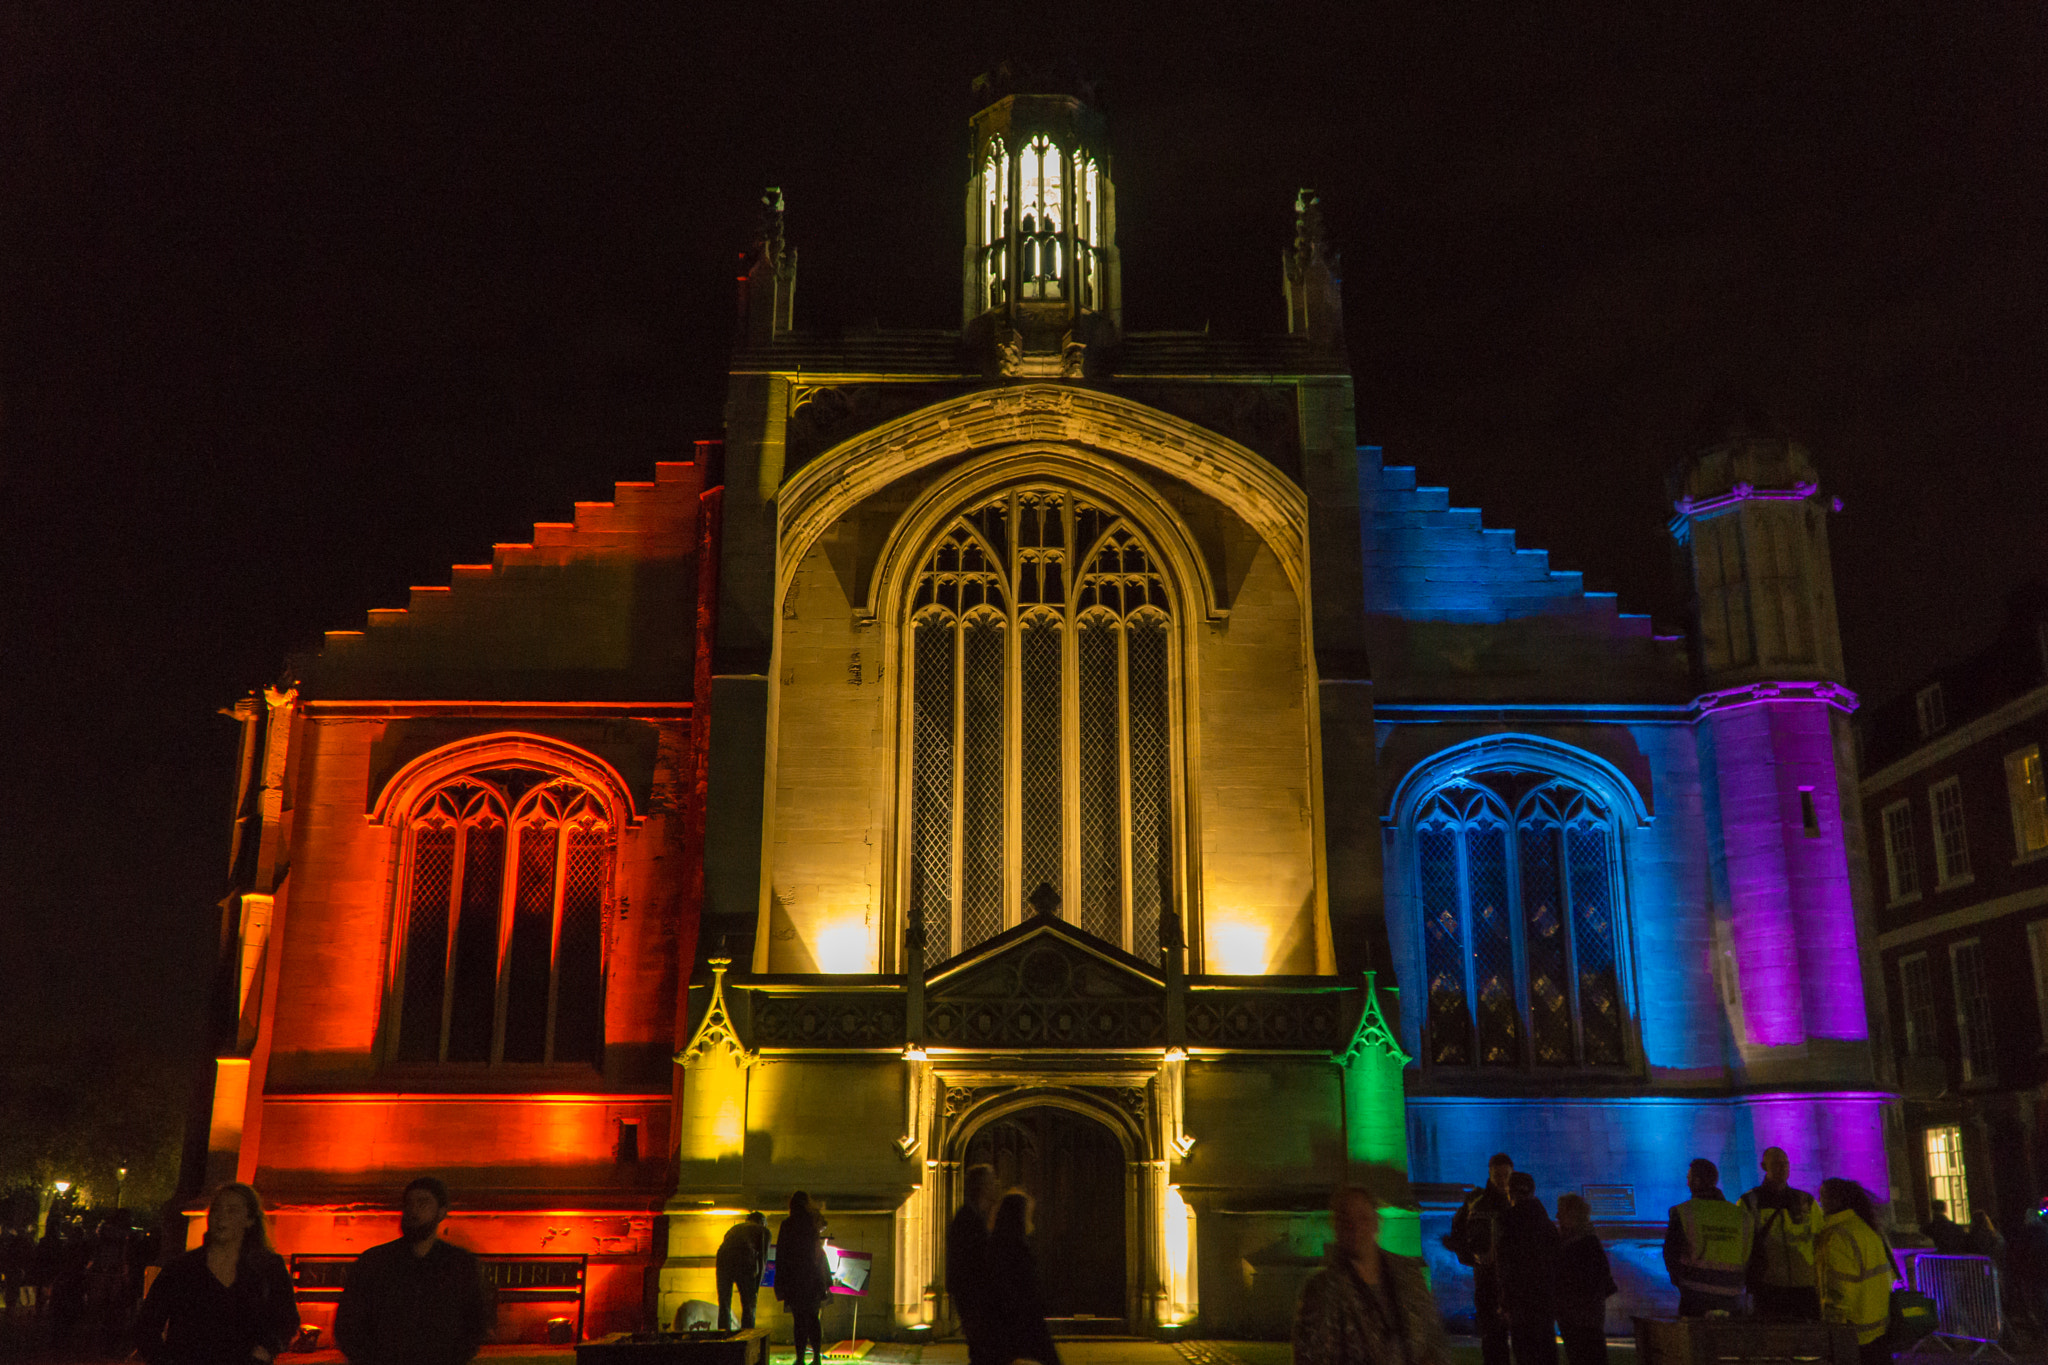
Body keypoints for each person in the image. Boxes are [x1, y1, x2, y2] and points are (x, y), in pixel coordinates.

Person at [132, 1183, 298, 1365]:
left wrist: (268, 1348)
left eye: (232, 1210)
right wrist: (162, 1360)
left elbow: (286, 1318)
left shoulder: (267, 1268)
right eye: (217, 1209)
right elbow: (147, 1324)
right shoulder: (182, 1269)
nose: (221, 1217)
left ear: (249, 1219)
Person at [335, 1176, 494, 1365]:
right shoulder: (375, 1262)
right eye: (409, 1203)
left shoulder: (459, 1264)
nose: (414, 1210)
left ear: (441, 1212)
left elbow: (474, 1322)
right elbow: (348, 1323)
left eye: (423, 1203)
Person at [1294, 1186, 1452, 1365]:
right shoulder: (1321, 1290)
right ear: (1335, 1226)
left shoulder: (1408, 1274)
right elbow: (1310, 1357)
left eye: (1362, 1218)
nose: (1355, 1228)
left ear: (1376, 1223)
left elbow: (1434, 1341)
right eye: (1346, 1220)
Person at [1444, 1154, 1515, 1365]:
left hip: (1512, 1280)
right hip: (1486, 1278)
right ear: (1490, 1174)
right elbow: (1458, 1232)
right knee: (1492, 1337)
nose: (1502, 1180)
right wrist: (1471, 1256)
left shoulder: (1517, 1202)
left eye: (1506, 1175)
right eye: (1497, 1175)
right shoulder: (1476, 1202)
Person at [1816, 1178, 1893, 1365]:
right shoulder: (1866, 1229)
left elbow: (1836, 1290)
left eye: (1823, 1197)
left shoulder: (1836, 1237)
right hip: (1877, 1327)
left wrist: (1834, 1331)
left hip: (1853, 1334)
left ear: (1837, 1200)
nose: (1820, 1203)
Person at [1739, 1147, 1820, 1320]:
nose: (1782, 1168)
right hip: (1768, 1286)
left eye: (1785, 1164)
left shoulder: (1806, 1201)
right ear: (1764, 1166)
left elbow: (1820, 1239)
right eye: (1776, 1164)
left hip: (1804, 1286)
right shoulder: (1750, 1202)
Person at [1663, 1158, 1751, 1317]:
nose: (1687, 1183)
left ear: (1696, 1181)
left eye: (1688, 1179)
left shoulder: (1683, 1212)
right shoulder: (1741, 1215)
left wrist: (1681, 1282)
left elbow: (1670, 1254)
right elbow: (1751, 1253)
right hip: (1733, 1295)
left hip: (1695, 1295)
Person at [984, 1192, 1060, 1365]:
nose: (1030, 1219)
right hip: (1021, 1321)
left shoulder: (997, 1245)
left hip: (1010, 1322)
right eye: (1028, 1213)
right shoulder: (1015, 1247)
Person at [1497, 1172, 1558, 1365]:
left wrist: (1505, 1300)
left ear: (1510, 1193)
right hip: (1545, 1300)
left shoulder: (1507, 1221)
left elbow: (1506, 1265)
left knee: (1525, 1352)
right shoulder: (1546, 1224)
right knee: (1546, 1350)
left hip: (1520, 1300)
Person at [947, 1165, 1000, 1365]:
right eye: (990, 1183)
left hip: (975, 1300)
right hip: (974, 1300)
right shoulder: (968, 1219)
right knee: (982, 1353)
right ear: (982, 1187)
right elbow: (970, 1264)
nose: (995, 1187)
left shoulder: (977, 1216)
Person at [1554, 1194, 1615, 1365]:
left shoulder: (1580, 1243)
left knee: (1583, 1354)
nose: (1557, 1216)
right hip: (1583, 1315)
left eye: (1561, 1212)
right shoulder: (1587, 1241)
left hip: (1579, 1315)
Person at [774, 1192, 831, 1365]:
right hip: (812, 1278)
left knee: (798, 1319)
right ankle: (816, 1357)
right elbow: (824, 1224)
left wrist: (781, 1280)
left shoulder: (787, 1224)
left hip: (794, 1278)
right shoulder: (812, 1222)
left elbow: (781, 1253)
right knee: (814, 1318)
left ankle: (800, 1358)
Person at [715, 1212, 769, 1331]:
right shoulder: (763, 1230)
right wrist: (756, 1289)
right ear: (762, 1222)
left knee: (724, 1304)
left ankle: (723, 1337)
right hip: (744, 1258)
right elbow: (762, 1260)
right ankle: (747, 1337)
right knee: (748, 1305)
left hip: (723, 1257)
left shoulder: (734, 1228)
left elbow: (725, 1244)